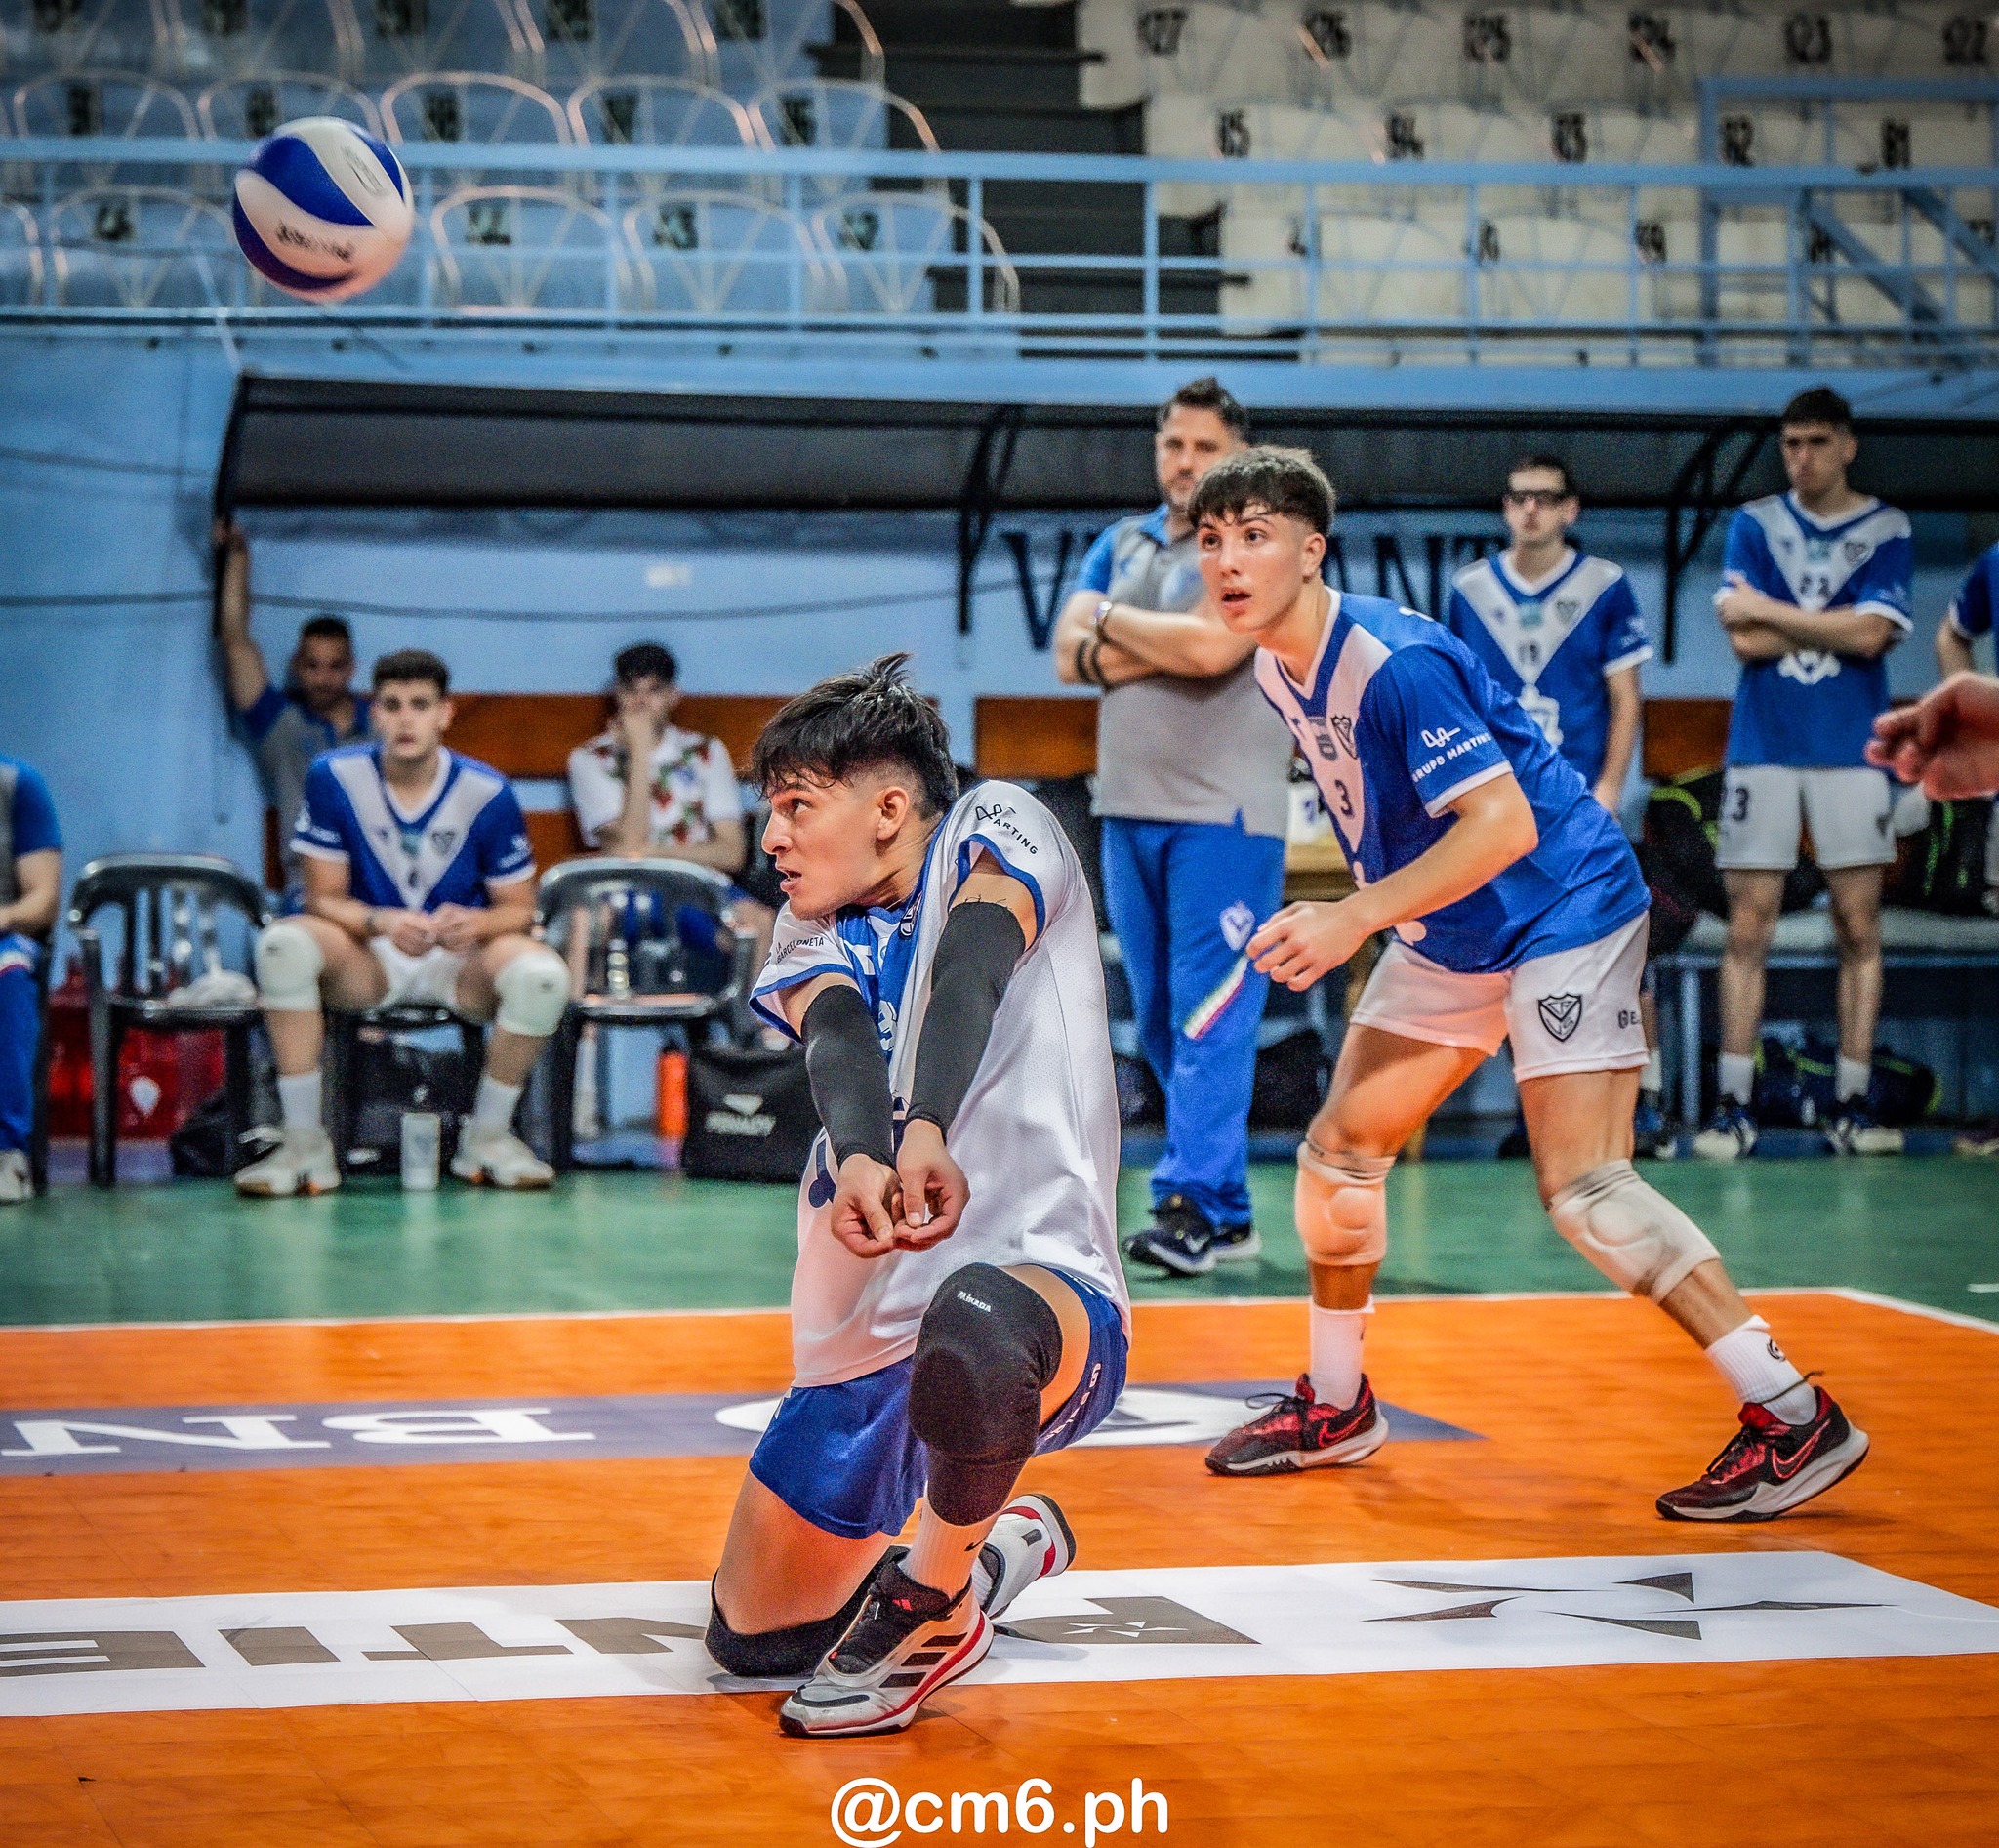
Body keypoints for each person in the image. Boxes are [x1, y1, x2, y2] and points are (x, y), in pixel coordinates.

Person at [1188, 446, 1867, 1524]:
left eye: (1254, 535)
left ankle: (1791, 1414)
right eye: (1210, 539)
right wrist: (1357, 904)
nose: (1226, 559)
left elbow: (1500, 824)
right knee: (1338, 1154)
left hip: (1562, 905)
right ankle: (1334, 1402)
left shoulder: (1393, 662)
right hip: (1448, 923)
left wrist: (1352, 916)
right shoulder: (1276, 665)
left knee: (1585, 1190)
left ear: (1311, 551)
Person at [705, 655, 1130, 1738]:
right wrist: (858, 1157)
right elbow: (837, 1035)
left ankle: (934, 1608)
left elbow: (973, 967)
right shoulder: (812, 917)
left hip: (1043, 1296)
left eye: (796, 806)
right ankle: (992, 1548)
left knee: (976, 1323)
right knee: (754, 1636)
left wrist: (926, 1128)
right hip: (868, 1338)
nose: (772, 839)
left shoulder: (995, 824)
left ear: (889, 806)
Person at [1051, 376, 1297, 1277]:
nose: (1184, 462)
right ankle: (1228, 1210)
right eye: (1172, 445)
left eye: (1202, 447)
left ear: (1235, 451)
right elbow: (1064, 653)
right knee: (1157, 1018)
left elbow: (1211, 650)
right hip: (1129, 808)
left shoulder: (1255, 549)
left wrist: (1113, 631)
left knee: (1210, 1015)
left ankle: (1188, 1202)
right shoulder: (1121, 542)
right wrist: (1147, 637)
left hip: (1225, 817)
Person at [233, 650, 570, 1197]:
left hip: (457, 960)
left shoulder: (487, 792)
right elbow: (320, 898)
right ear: (375, 713)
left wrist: (477, 923)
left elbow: (519, 909)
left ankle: (486, 1138)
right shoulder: (333, 777)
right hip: (370, 957)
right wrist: (381, 919)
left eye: (420, 704)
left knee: (543, 976)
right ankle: (302, 1144)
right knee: (281, 946)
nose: (406, 719)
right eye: (391, 705)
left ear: (445, 713)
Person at [1693, 388, 1913, 1161]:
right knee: (1748, 925)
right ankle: (1733, 1104)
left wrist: (1776, 613)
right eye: (1790, 443)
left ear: (1847, 445)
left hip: (1855, 748)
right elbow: (1741, 638)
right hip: (1764, 746)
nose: (1802, 457)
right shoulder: (1756, 522)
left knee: (1860, 925)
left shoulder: (1887, 526)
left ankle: (1852, 1101)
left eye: (1817, 442)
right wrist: (1838, 627)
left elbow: (1875, 632)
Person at [1444, 456, 1670, 1156]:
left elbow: (1626, 700)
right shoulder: (1471, 589)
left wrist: (1609, 788)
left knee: (1620, 952)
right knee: (1521, 958)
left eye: (1545, 498)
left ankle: (1645, 1105)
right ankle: (1537, 1112)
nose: (1530, 510)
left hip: (1582, 803)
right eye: (1518, 498)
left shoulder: (1605, 585)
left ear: (1572, 508)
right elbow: (1454, 699)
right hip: (1503, 810)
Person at [212, 520, 370, 897]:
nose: (323, 677)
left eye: (335, 666)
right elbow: (235, 638)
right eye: (313, 665)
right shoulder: (282, 727)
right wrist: (238, 556)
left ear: (351, 668)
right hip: (308, 889)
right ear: (298, 666)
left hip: (377, 886)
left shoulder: (383, 726)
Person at [0, 757, 61, 1204]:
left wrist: (4, 917)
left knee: (9, 972)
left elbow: (42, 901)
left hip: (4, 935)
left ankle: (7, 1154)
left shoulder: (19, 785)